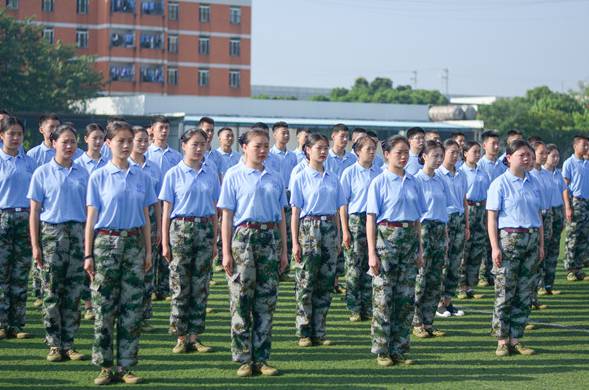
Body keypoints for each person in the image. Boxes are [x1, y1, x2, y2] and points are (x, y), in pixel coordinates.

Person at [84, 121, 156, 385]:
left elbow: (147, 217)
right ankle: (105, 366)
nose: (125, 146)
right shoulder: (99, 176)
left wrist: (149, 251)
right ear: (108, 143)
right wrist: (88, 254)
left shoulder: (142, 177)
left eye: (129, 141)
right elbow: (91, 219)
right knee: (104, 307)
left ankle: (126, 365)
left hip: (135, 244)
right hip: (106, 244)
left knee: (131, 308)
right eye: (120, 141)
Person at [218, 128, 288, 377]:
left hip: (269, 239)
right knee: (241, 300)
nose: (263, 150)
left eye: (265, 146)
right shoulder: (233, 175)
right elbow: (226, 217)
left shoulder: (275, 177)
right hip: (243, 239)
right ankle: (244, 358)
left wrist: (284, 250)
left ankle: (262, 358)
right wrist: (225, 251)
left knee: (266, 302)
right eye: (257, 146)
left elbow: (281, 216)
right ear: (244, 147)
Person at [28, 124, 88, 362]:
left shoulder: (83, 173)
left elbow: (89, 209)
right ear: (53, 143)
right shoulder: (42, 173)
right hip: (52, 234)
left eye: (73, 141)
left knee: (73, 292)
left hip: (77, 233)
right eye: (65, 141)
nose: (70, 146)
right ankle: (54, 344)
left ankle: (69, 343)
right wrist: (36, 245)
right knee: (52, 292)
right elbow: (35, 212)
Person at [366, 135, 426, 367]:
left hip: (409, 240)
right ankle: (382, 349)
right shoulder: (379, 182)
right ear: (387, 154)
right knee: (383, 297)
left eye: (405, 152)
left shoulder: (413, 181)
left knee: (405, 298)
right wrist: (372, 252)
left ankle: (400, 348)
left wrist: (419, 250)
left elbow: (418, 219)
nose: (403, 156)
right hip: (386, 241)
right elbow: (371, 220)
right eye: (398, 152)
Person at [160, 128, 219, 354]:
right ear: (183, 145)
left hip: (204, 228)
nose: (198, 148)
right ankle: (180, 335)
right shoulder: (173, 174)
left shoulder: (210, 173)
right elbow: (167, 210)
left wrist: (214, 241)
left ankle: (195, 336)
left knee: (200, 285)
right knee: (180, 285)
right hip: (181, 229)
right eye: (194, 144)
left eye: (202, 144)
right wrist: (164, 241)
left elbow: (215, 210)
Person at [487, 139, 543, 357]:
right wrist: (495, 248)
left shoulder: (533, 182)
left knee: (525, 292)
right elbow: (491, 218)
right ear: (509, 158)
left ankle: (516, 338)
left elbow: (538, 216)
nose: (527, 158)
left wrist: (540, 244)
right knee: (505, 292)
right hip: (509, 240)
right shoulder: (499, 184)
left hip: (530, 239)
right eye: (522, 155)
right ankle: (502, 340)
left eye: (529, 155)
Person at [291, 133, 345, 347]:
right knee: (306, 280)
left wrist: (339, 235)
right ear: (307, 150)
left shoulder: (333, 177)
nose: (323, 152)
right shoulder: (300, 176)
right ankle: (304, 331)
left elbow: (339, 208)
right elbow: (295, 212)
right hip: (309, 228)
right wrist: (295, 242)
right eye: (318, 148)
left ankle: (319, 330)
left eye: (325, 148)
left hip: (329, 228)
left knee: (326, 281)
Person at [0, 116, 37, 340]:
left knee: (20, 273)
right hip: (2, 217)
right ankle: (2, 322)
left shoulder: (29, 161)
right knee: (1, 273)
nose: (15, 138)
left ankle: (17, 323)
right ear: (1, 135)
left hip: (25, 218)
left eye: (19, 134)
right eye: (11, 134)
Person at [412, 140, 452, 339]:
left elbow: (444, 210)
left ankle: (428, 322)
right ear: (424, 156)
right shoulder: (415, 180)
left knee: (435, 280)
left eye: (440, 156)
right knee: (421, 279)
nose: (438, 160)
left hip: (439, 230)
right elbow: (415, 214)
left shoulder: (441, 180)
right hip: (424, 231)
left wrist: (445, 237)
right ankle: (416, 321)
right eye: (434, 155)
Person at [340, 135, 380, 322]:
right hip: (356, 220)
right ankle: (354, 306)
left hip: (375, 220)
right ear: (357, 151)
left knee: (371, 264)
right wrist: (345, 230)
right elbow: (343, 204)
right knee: (354, 265)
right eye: (368, 149)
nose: (372, 152)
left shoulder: (378, 172)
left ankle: (368, 305)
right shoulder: (349, 172)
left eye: (374, 149)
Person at [129, 126, 163, 333]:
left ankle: (144, 315)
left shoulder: (153, 168)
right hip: (132, 219)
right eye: (138, 140)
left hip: (149, 219)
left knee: (148, 268)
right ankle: (130, 315)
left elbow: (158, 201)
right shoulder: (125, 166)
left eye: (145, 140)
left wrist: (159, 227)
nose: (142, 144)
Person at [145, 116, 182, 300]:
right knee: (151, 244)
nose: (164, 131)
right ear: (151, 130)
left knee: (167, 244)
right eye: (160, 128)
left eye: (166, 128)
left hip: (168, 204)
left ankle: (164, 288)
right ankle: (149, 286)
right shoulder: (146, 154)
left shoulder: (175, 156)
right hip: (150, 206)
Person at [436, 139, 469, 318]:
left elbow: (464, 200)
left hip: (459, 219)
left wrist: (467, 225)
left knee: (456, 263)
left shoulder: (461, 174)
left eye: (457, 152)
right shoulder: (438, 175)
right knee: (444, 262)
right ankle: (438, 302)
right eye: (451, 152)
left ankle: (448, 301)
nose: (455, 156)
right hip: (445, 220)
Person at [459, 141, 490, 300]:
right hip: (467, 208)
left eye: (479, 152)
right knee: (464, 249)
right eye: (474, 151)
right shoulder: (460, 172)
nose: (477, 155)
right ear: (465, 153)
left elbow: (486, 195)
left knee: (477, 249)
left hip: (480, 210)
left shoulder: (482, 172)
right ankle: (461, 286)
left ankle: (470, 286)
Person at [477, 130, 505, 287]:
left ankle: (494, 272)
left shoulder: (502, 166)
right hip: (483, 207)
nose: (496, 146)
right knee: (484, 241)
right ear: (484, 145)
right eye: (492, 143)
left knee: (497, 240)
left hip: (499, 208)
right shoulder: (479, 165)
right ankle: (482, 273)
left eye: (497, 143)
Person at [538, 144, 565, 295]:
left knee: (554, 250)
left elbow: (563, 193)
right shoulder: (538, 174)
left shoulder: (556, 174)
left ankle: (549, 284)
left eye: (557, 156)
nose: (555, 159)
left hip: (556, 212)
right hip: (545, 213)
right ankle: (540, 284)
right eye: (551, 155)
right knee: (544, 249)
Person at [562, 135, 589, 281]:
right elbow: (564, 187)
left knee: (584, 237)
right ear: (575, 146)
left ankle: (578, 268)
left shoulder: (587, 163)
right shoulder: (569, 163)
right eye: (584, 145)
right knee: (572, 237)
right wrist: (567, 206)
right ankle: (570, 269)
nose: (586, 148)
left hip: (587, 203)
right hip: (576, 202)